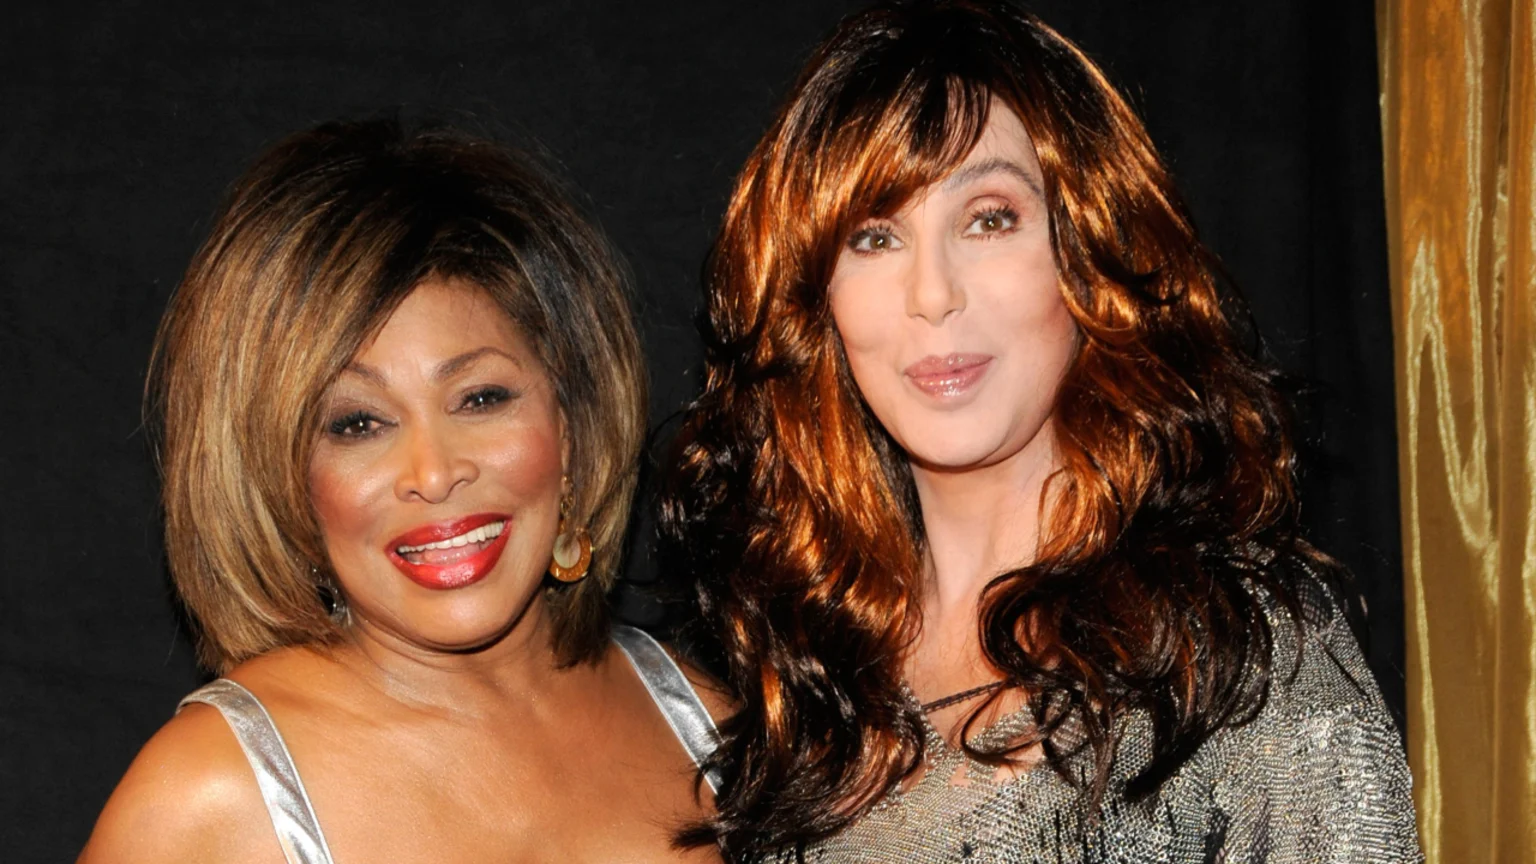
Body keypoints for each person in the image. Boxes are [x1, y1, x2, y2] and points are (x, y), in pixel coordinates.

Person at [661, 1, 1423, 861]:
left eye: (989, 218)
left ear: (1086, 250)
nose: (932, 294)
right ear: (816, 298)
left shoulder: (1231, 656)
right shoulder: (801, 678)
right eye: (873, 236)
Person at [79, 119, 725, 864]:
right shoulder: (209, 797)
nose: (434, 472)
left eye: (480, 398)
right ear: (283, 482)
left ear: (572, 426)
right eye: (357, 423)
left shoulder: (710, 725)